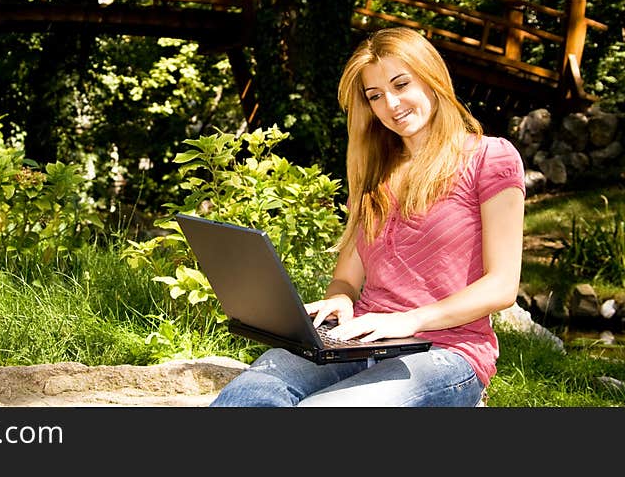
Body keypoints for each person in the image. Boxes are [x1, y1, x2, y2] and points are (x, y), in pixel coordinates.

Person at [210, 26, 525, 407]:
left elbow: (502, 286)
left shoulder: (491, 157)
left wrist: (409, 320)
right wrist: (340, 300)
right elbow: (346, 278)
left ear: (432, 78)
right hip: (359, 340)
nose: (391, 104)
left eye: (401, 84)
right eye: (375, 95)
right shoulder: (376, 171)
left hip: (446, 352)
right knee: (249, 395)